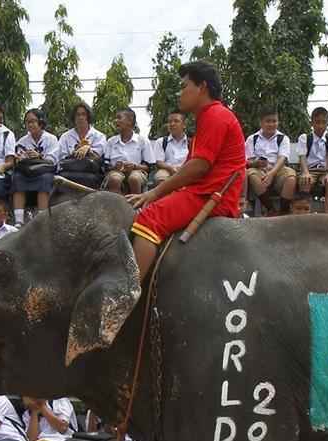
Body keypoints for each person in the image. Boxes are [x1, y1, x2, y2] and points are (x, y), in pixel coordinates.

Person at [128, 62, 244, 282]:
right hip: (206, 192)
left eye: (184, 86)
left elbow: (199, 166)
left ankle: (128, 295)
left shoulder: (215, 115)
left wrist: (154, 193)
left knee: (148, 219)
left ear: (202, 87)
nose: (180, 93)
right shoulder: (209, 117)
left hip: (211, 196)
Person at [11, 108, 58, 224]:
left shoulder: (51, 139)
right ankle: (18, 221)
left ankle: (41, 220)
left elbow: (53, 160)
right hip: (27, 171)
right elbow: (17, 157)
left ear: (41, 122)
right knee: (17, 178)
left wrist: (39, 156)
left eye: (33, 121)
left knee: (44, 180)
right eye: (27, 122)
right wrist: (21, 157)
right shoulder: (23, 140)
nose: (30, 124)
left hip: (43, 171)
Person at [243, 109, 295, 213]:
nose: (271, 124)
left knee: (291, 177)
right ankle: (271, 210)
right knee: (251, 174)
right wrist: (256, 163)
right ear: (261, 123)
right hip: (258, 169)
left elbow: (282, 158)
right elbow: (247, 160)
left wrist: (271, 173)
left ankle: (283, 212)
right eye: (268, 121)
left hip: (278, 169)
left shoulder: (283, 138)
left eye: (274, 121)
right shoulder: (252, 139)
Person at [296, 106, 328, 213]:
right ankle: (304, 212)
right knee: (305, 180)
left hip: (325, 170)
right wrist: (305, 172)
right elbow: (302, 157)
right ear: (312, 123)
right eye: (317, 122)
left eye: (323, 122)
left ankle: (327, 214)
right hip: (310, 170)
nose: (320, 126)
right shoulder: (304, 138)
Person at [56, 101, 107, 191]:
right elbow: (61, 157)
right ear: (74, 118)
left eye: (83, 114)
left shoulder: (99, 136)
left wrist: (88, 149)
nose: (80, 117)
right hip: (70, 172)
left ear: (88, 117)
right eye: (77, 115)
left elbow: (99, 156)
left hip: (91, 172)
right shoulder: (65, 136)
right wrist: (75, 151)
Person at [103, 107, 152, 196]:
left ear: (130, 121)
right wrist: (115, 167)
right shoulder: (111, 141)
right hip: (116, 171)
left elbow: (149, 167)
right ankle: (117, 207)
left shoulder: (142, 141)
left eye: (119, 118)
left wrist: (134, 166)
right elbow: (106, 166)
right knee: (115, 179)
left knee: (134, 178)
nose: (116, 121)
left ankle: (136, 206)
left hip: (137, 171)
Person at [152, 111, 190, 186]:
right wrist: (171, 168)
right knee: (160, 177)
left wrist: (182, 169)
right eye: (169, 122)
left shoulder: (191, 143)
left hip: (186, 170)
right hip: (166, 170)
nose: (172, 124)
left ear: (184, 125)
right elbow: (159, 162)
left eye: (176, 121)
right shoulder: (161, 141)